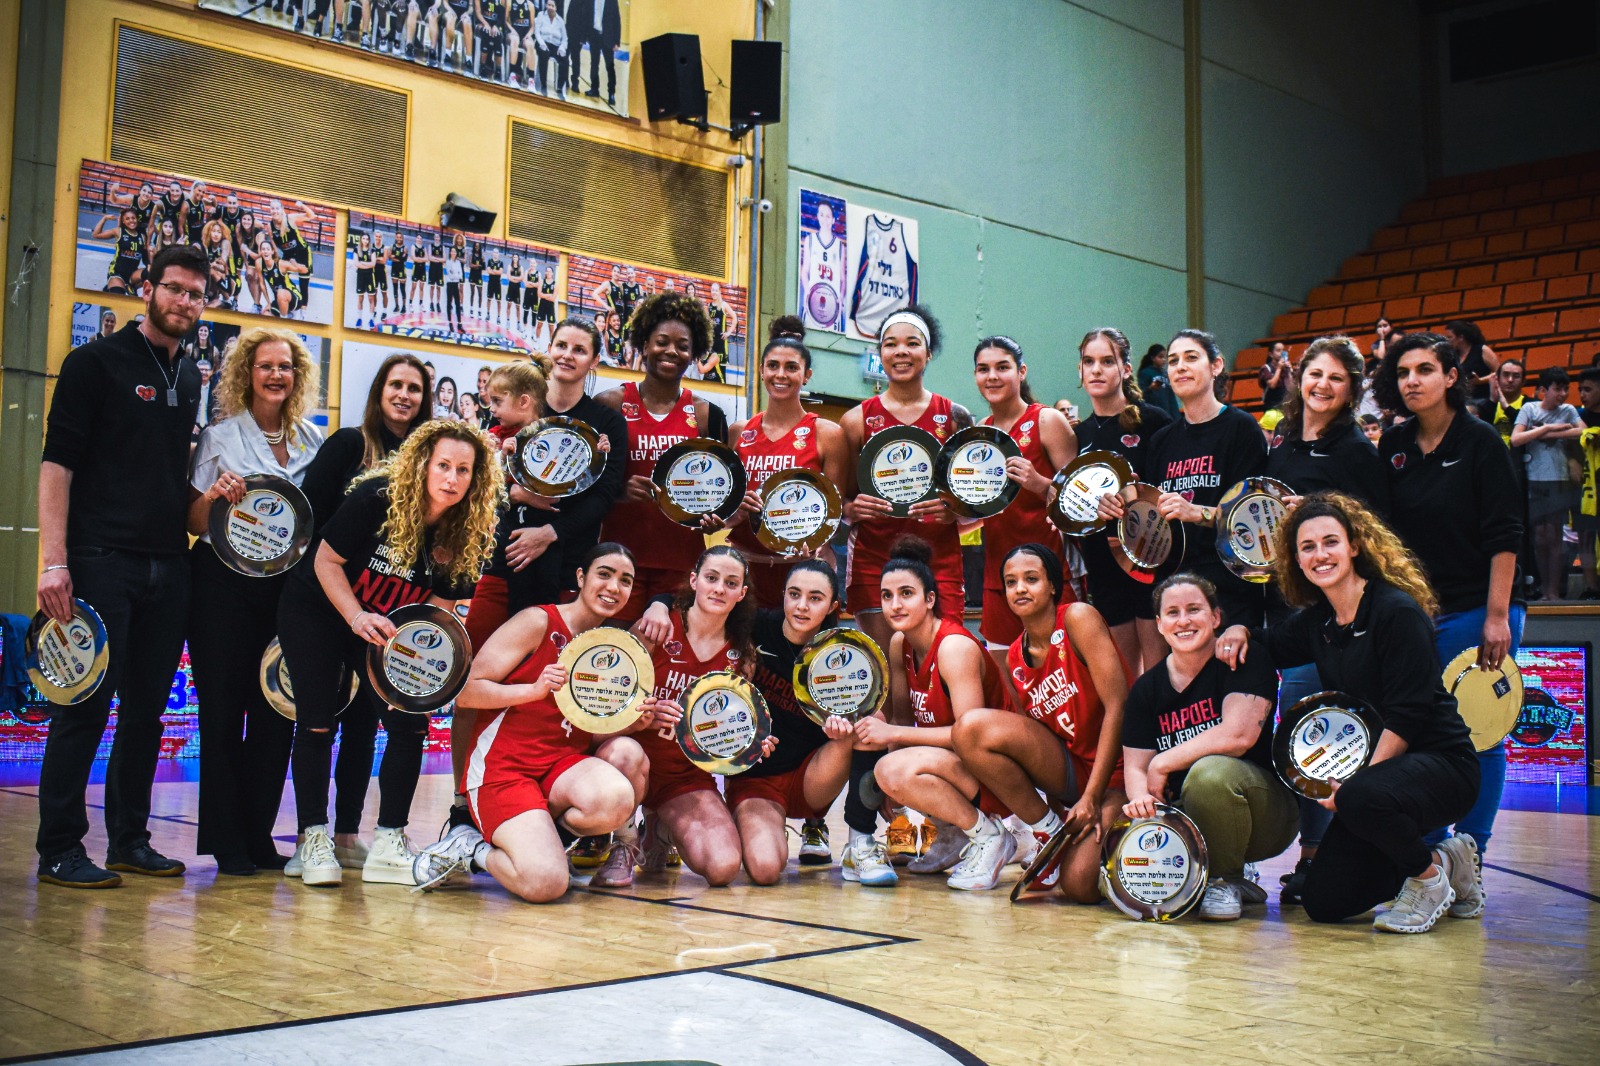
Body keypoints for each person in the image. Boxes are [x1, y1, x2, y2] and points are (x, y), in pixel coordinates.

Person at [1218, 493, 1483, 932]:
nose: (1320, 554)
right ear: (1296, 560)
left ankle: (1428, 881)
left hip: (1444, 766)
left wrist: (1355, 789)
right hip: (1378, 782)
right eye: (1307, 547)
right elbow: (1269, 644)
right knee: (1325, 901)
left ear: (1354, 545)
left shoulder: (1396, 611)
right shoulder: (1320, 621)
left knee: (1361, 797)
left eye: (1330, 542)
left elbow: (1407, 716)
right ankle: (1447, 861)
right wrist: (1237, 628)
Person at [35, 244, 207, 888]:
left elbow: (169, 474)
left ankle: (129, 841)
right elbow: (57, 465)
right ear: (148, 290)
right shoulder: (94, 363)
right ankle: (59, 848)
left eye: (195, 294)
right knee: (84, 706)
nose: (184, 301)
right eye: (175, 288)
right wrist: (54, 562)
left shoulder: (189, 376)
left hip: (169, 563)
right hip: (99, 560)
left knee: (144, 714)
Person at [277, 420, 501, 888]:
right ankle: (311, 840)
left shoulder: (468, 531)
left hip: (384, 630)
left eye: (463, 470)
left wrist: (415, 664)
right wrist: (356, 616)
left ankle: (388, 841)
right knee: (317, 721)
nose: (452, 478)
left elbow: (434, 611)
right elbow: (325, 561)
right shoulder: (377, 498)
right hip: (319, 608)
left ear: (475, 478)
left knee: (410, 722)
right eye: (443, 465)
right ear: (423, 464)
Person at [413, 544, 670, 900]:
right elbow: (466, 692)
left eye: (625, 581)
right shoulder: (538, 621)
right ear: (580, 577)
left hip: (561, 767)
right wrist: (532, 691)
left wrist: (635, 723)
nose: (614, 587)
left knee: (616, 797)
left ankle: (547, 843)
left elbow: (586, 730)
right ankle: (470, 848)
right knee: (546, 884)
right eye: (604, 574)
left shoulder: (610, 646)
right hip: (504, 769)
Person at [1374, 332, 1523, 861]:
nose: (1412, 381)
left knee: (1479, 730)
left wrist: (1497, 617)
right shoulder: (1392, 446)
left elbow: (1506, 534)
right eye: (1403, 372)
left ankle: (1471, 853)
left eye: (1424, 370)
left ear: (1451, 376)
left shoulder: (1481, 442)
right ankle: (1432, 853)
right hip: (1414, 611)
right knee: (1419, 731)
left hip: (1479, 608)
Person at [186, 328, 323, 876]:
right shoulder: (219, 436)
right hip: (221, 586)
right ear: (247, 373)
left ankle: (259, 836)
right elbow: (192, 521)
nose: (275, 375)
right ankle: (227, 843)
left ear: (297, 376)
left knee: (275, 714)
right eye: (265, 366)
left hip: (287, 591)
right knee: (222, 714)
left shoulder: (313, 440)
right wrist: (214, 496)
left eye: (285, 367)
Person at [839, 305, 971, 868]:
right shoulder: (855, 421)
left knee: (939, 692)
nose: (901, 352)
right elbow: (836, 504)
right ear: (879, 352)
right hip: (875, 564)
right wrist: (852, 509)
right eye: (890, 342)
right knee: (883, 695)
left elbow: (975, 495)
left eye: (911, 343)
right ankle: (892, 825)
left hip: (938, 563)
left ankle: (949, 825)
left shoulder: (954, 415)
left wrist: (957, 509)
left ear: (928, 352)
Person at [1263, 334, 1390, 902]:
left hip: (1333, 617)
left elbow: (1376, 530)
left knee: (1327, 735)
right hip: (1283, 610)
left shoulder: (1357, 451)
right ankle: (1311, 855)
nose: (1323, 385)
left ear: (1352, 389)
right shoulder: (1283, 443)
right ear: (1299, 378)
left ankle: (1343, 853)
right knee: (1301, 737)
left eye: (1337, 378)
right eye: (1316, 373)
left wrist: (1319, 514)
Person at [640, 560, 858, 883]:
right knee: (764, 869)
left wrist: (843, 724)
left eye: (815, 598)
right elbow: (703, 598)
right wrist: (657, 604)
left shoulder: (842, 653)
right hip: (759, 779)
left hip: (811, 774)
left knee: (859, 727)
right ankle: (730, 828)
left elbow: (870, 711)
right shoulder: (755, 628)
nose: (801, 606)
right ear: (783, 595)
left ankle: (856, 840)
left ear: (833, 606)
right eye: (794, 594)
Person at [954, 544, 1128, 902]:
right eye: (1011, 582)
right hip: (1073, 774)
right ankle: (1046, 830)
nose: (1020, 588)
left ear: (1052, 585)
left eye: (1031, 579)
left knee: (1078, 886)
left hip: (1118, 774)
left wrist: (1092, 798)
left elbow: (1118, 706)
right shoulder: (1014, 656)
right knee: (969, 730)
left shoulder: (1078, 618)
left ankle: (1140, 830)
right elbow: (1043, 746)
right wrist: (1061, 815)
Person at [1122, 573, 1296, 922]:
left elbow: (1238, 736)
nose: (1183, 621)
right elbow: (1136, 766)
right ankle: (1222, 878)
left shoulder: (1244, 658)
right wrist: (1142, 802)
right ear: (1159, 624)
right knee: (1110, 882)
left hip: (1265, 815)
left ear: (1216, 617)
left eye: (1194, 609)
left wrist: (1163, 762)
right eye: (1172, 613)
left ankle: (1224, 879)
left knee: (1208, 773)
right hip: (1186, 815)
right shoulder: (1146, 689)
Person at [859, 538, 1014, 891]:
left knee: (892, 767)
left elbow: (971, 738)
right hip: (956, 766)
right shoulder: (900, 643)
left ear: (930, 599)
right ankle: (951, 834)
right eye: (886, 596)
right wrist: (897, 803)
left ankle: (989, 835)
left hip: (997, 774)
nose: (895, 605)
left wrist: (893, 741)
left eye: (906, 594)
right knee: (887, 766)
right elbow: (901, 721)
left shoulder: (954, 647)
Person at [1097, 329, 1269, 630]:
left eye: (1191, 358)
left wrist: (1196, 513)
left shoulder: (1242, 429)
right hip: (1176, 587)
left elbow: (1255, 520)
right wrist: (1125, 503)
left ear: (1216, 366)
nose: (1180, 367)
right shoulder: (1163, 439)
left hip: (1230, 589)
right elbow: (1153, 520)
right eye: (1173, 361)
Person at [627, 545, 763, 887]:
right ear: (694, 581)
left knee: (723, 867)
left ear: (741, 593)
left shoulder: (743, 655)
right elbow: (608, 708)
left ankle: (659, 827)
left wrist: (751, 742)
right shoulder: (656, 627)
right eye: (711, 578)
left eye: (731, 583)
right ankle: (622, 842)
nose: (719, 589)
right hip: (630, 760)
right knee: (622, 754)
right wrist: (642, 717)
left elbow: (729, 731)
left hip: (683, 778)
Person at [595, 293, 729, 624]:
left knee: (669, 653)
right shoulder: (610, 404)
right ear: (644, 345)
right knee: (613, 647)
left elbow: (720, 492)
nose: (671, 351)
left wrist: (715, 516)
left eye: (683, 346)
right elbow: (588, 484)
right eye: (661, 342)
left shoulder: (707, 415)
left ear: (694, 353)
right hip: (617, 560)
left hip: (681, 564)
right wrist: (620, 491)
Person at [726, 317, 848, 605]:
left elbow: (835, 513)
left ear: (806, 375)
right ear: (761, 371)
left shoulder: (828, 434)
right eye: (773, 365)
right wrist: (731, 513)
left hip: (801, 573)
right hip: (744, 570)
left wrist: (818, 543)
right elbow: (727, 511)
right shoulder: (739, 432)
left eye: (791, 367)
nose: (780, 374)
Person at [1073, 328, 1172, 674]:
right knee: (1124, 677)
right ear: (1080, 370)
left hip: (1148, 557)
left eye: (1106, 361)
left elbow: (1169, 490)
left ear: (1126, 369)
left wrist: (1135, 497)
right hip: (1101, 563)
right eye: (1089, 362)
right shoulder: (1078, 434)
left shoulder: (1154, 421)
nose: (1096, 370)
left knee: (1157, 673)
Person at [971, 335, 1077, 650]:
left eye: (1002, 367)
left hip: (1049, 574)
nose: (992, 376)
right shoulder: (981, 429)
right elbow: (978, 510)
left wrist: (1040, 483)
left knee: (1061, 670)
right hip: (998, 577)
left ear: (1021, 371)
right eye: (983, 369)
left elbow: (1081, 502)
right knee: (1006, 674)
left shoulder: (1047, 420)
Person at [300, 352, 428, 536]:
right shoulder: (346, 443)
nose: (403, 395)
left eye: (414, 389)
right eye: (396, 385)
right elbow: (310, 513)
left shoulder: (426, 458)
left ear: (423, 399)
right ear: (380, 390)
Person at [1512, 368, 1585, 600]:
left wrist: (1544, 434)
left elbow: (1583, 431)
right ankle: (1543, 588)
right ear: (1544, 390)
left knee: (1554, 535)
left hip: (1558, 479)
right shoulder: (1530, 409)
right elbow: (1516, 439)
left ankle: (1553, 590)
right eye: (1557, 389)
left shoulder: (1568, 410)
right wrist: (1549, 428)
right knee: (1539, 535)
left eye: (1566, 389)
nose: (1562, 394)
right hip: (1533, 478)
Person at [566, 0, 621, 105]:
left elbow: (616, 19)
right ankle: (594, 89)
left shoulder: (612, 1)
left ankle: (611, 93)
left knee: (610, 66)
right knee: (594, 64)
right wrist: (584, 36)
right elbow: (586, 17)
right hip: (594, 36)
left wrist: (617, 41)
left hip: (607, 37)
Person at [1576, 369, 1600, 599]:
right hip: (1584, 487)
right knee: (1585, 536)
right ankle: (1592, 587)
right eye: (1580, 390)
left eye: (1588, 389)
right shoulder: (1577, 416)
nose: (1582, 395)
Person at [1443, 319, 1498, 400]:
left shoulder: (1482, 350)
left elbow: (1499, 372)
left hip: (1482, 398)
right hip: (1461, 399)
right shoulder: (1453, 355)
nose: (1447, 341)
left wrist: (1480, 381)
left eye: (1450, 337)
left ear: (1461, 338)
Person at [533, 0, 568, 100]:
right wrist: (541, 43)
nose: (550, 7)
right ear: (546, 5)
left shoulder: (560, 21)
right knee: (544, 55)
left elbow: (565, 39)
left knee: (565, 60)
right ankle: (543, 84)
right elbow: (537, 32)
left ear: (556, 8)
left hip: (555, 45)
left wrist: (562, 47)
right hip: (543, 42)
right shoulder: (540, 15)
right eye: (548, 5)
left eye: (552, 6)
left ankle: (560, 87)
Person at [1137, 344, 1177, 418]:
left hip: (1167, 414)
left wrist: (1176, 417)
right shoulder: (1145, 373)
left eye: (1165, 357)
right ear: (1153, 358)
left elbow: (1171, 398)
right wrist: (1150, 388)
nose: (1163, 360)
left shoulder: (1165, 374)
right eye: (1160, 357)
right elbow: (1139, 395)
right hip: (1152, 415)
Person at [1258, 342, 1290, 411]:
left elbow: (1292, 386)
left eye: (1283, 350)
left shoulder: (1286, 368)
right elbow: (1272, 385)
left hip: (1286, 404)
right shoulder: (1266, 368)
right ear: (1271, 354)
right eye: (1278, 350)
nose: (1281, 353)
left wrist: (1290, 370)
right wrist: (1279, 368)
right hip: (1272, 405)